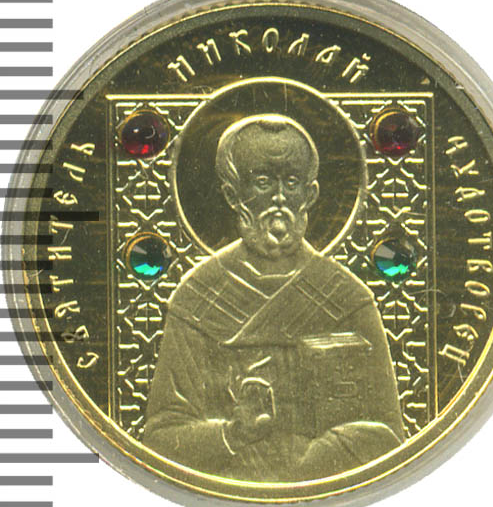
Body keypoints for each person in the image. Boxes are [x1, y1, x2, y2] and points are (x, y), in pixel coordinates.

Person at [142, 114, 404, 481]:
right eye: (263, 182)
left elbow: (388, 437)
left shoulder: (346, 297)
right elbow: (160, 440)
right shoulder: (198, 296)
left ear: (310, 195)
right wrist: (234, 433)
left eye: (292, 183)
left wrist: (304, 465)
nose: (279, 199)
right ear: (233, 195)